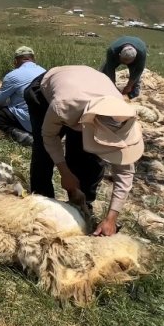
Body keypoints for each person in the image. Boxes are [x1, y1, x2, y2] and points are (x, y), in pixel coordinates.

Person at [23, 65, 144, 236]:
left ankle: (82, 204)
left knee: (89, 158)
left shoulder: (122, 120)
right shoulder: (63, 106)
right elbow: (49, 137)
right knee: (43, 154)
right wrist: (65, 173)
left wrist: (111, 218)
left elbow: (125, 172)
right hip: (45, 92)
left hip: (89, 88)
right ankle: (41, 204)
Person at [0, 45, 46, 146]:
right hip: (48, 121)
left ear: (15, 62)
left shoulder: (13, 75)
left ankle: (23, 136)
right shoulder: (45, 71)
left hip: (30, 122)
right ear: (34, 59)